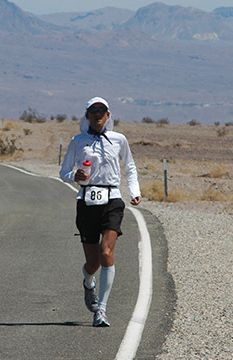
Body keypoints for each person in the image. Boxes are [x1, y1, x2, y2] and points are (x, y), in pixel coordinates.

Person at [59, 97, 142, 327]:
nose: (98, 114)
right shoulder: (78, 141)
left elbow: (131, 166)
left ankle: (102, 311)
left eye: (102, 111)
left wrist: (134, 191)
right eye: (93, 111)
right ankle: (88, 281)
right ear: (86, 116)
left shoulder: (119, 139)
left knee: (107, 252)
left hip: (112, 198)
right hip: (86, 201)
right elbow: (64, 171)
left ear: (108, 115)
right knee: (93, 263)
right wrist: (73, 176)